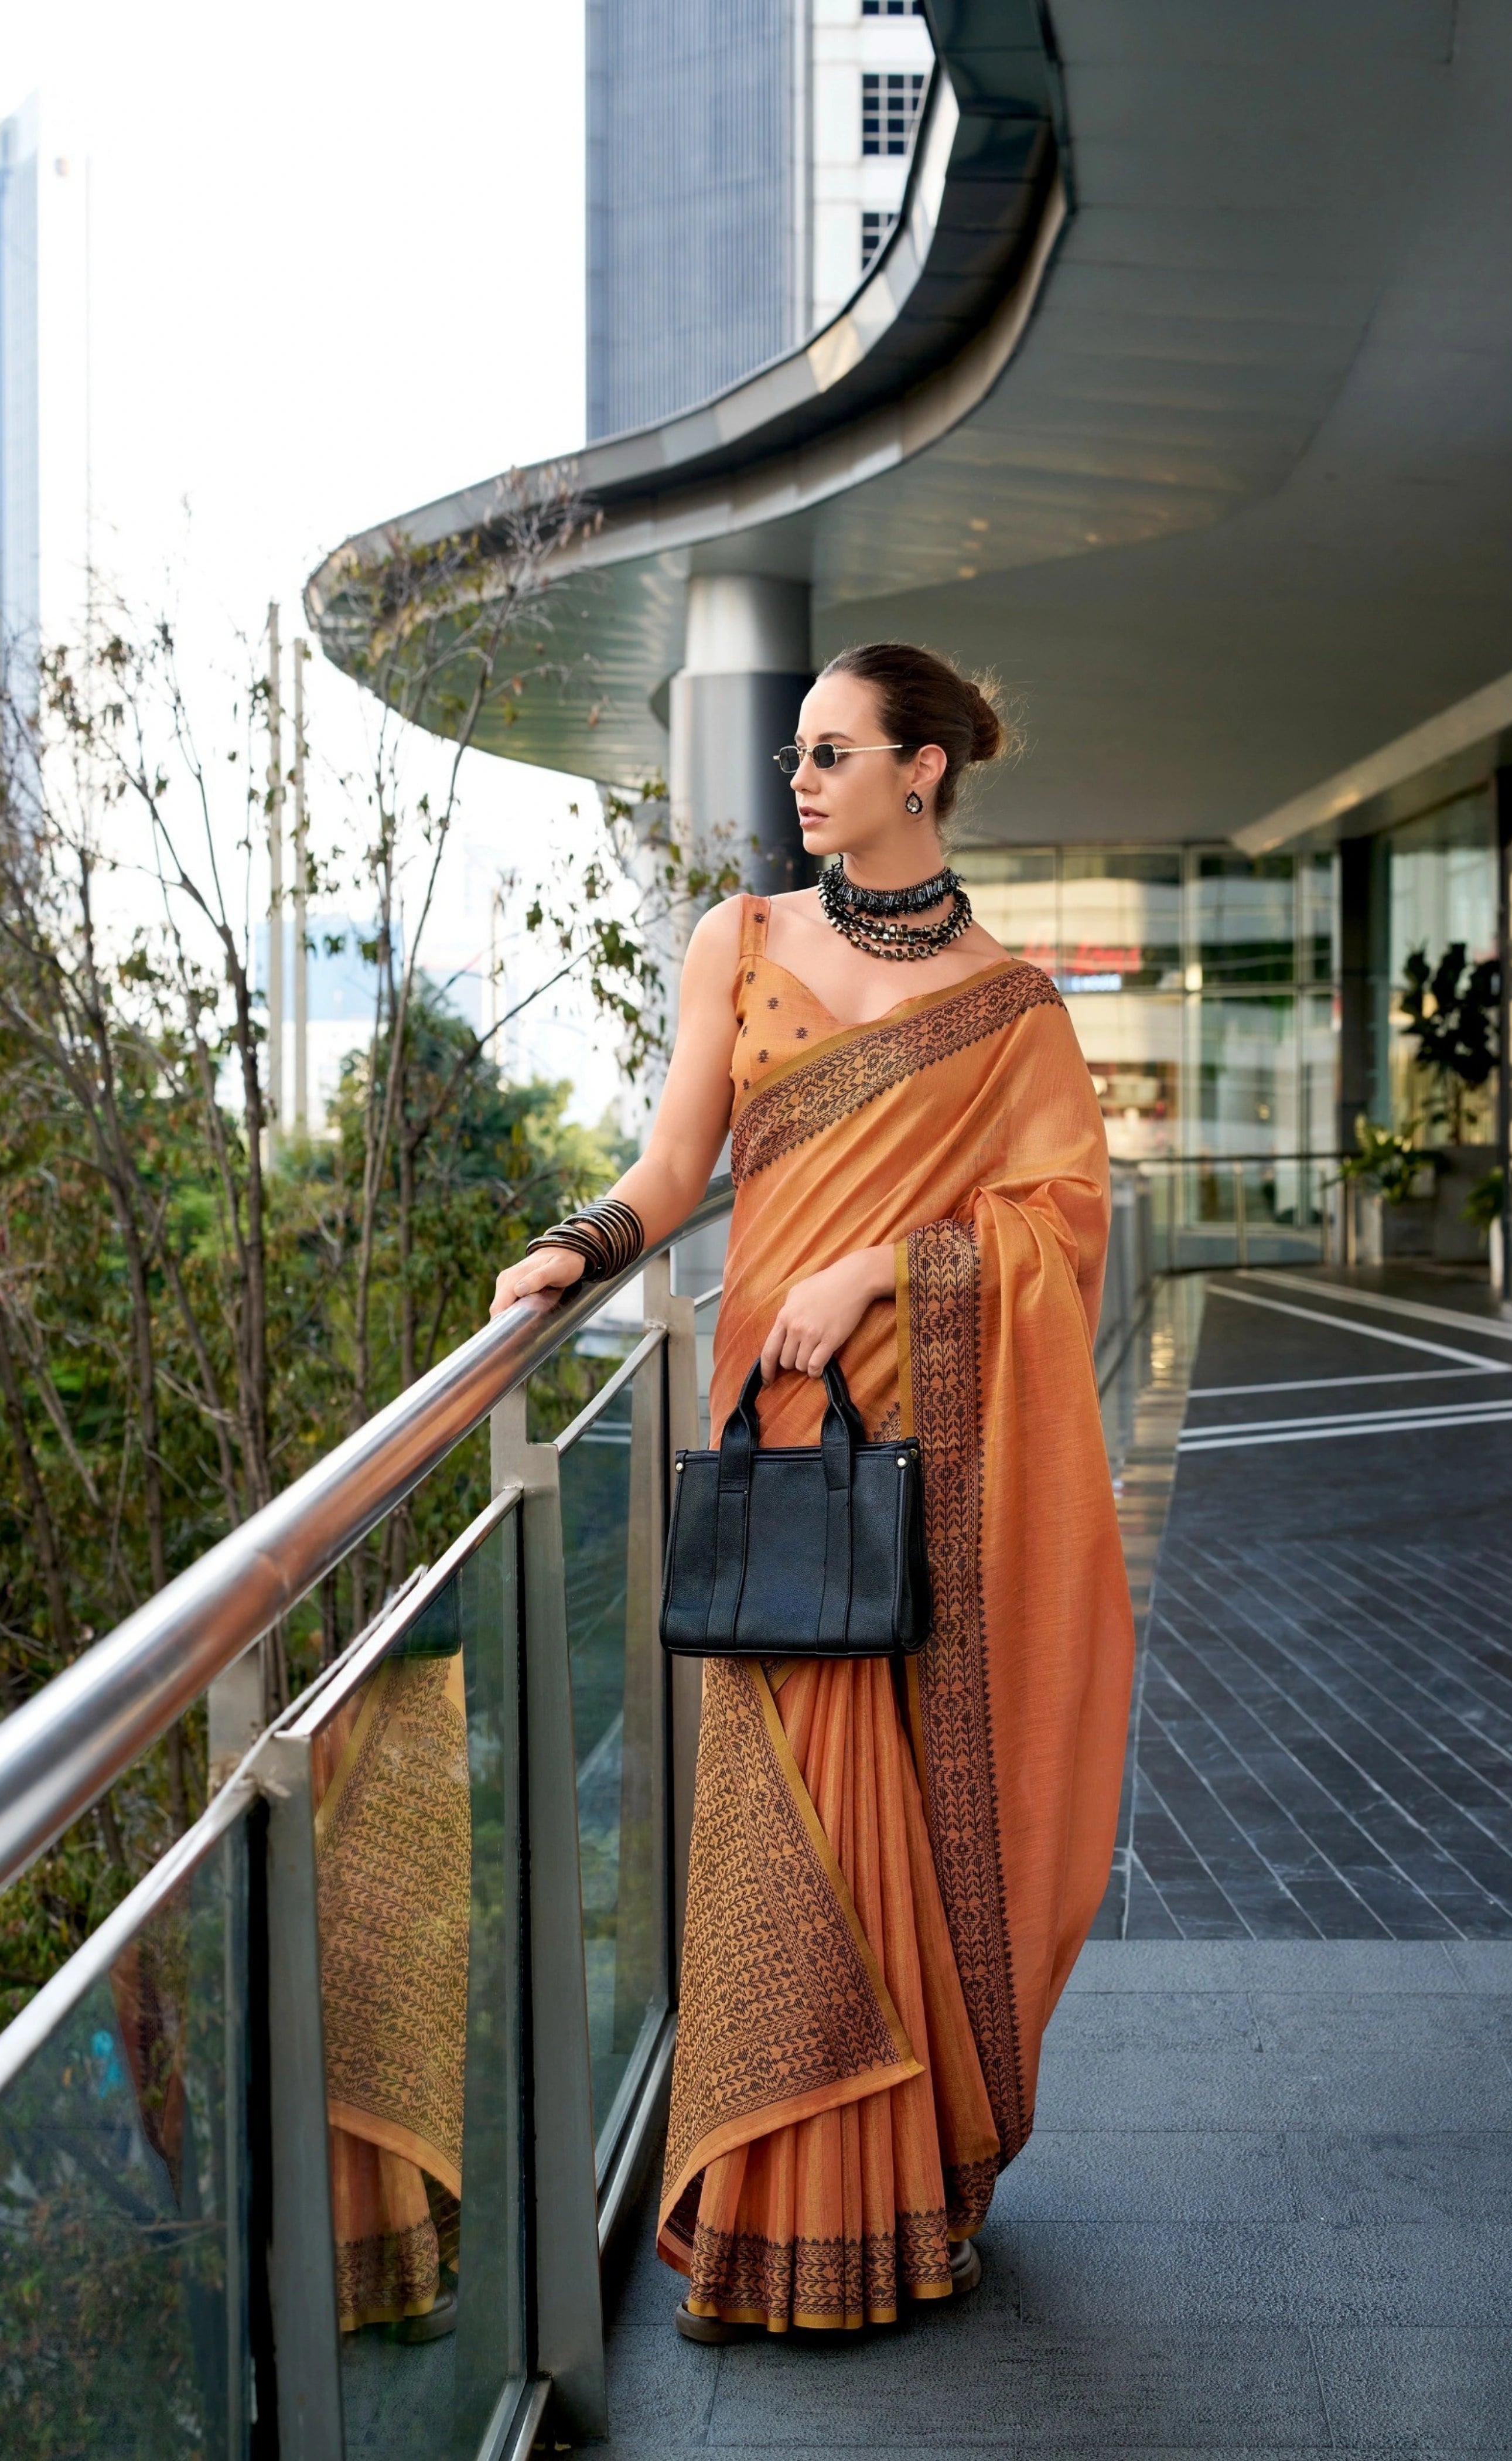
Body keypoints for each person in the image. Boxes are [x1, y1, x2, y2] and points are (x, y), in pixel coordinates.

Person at [491, 641, 1133, 2338]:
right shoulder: (745, 939)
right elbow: (676, 1162)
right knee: (788, 1802)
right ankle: (788, 2218)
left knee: (909, 1815)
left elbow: (1064, 1222)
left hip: (928, 1444)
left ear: (923, 772)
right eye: (797, 754)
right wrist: (577, 1248)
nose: (802, 779)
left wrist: (883, 1271)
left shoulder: (1010, 1005)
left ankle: (902, 2206)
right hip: (777, 1431)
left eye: (834, 752)